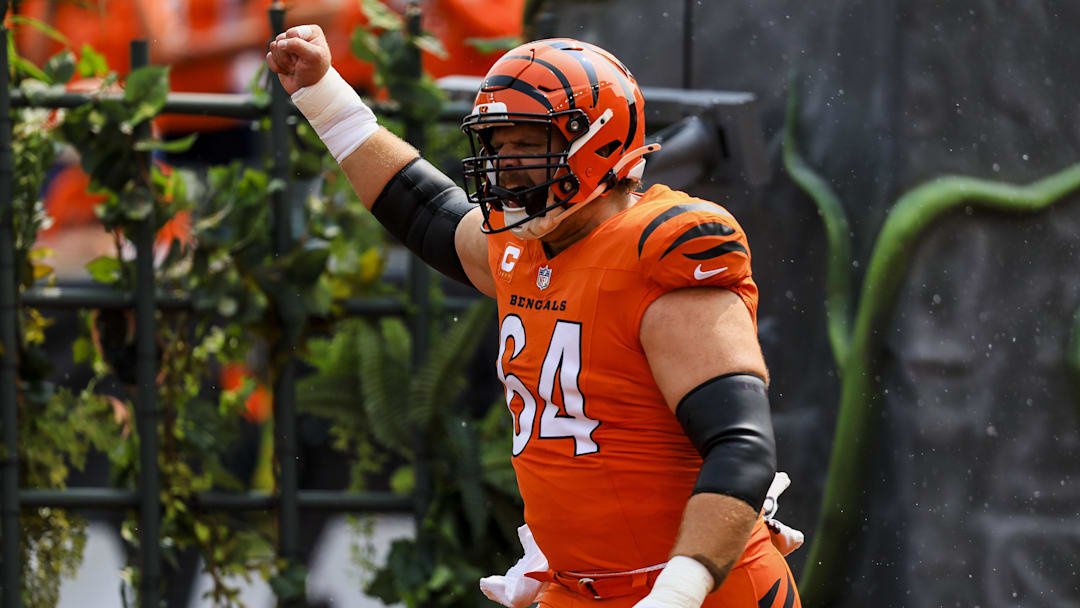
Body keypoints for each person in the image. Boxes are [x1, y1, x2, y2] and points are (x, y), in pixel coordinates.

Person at [267, 25, 803, 608]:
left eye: (526, 144)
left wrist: (678, 590)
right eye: (495, 147)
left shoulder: (661, 251)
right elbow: (425, 211)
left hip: (703, 593)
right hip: (577, 589)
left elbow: (741, 446)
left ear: (596, 140)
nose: (503, 166)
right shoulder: (526, 244)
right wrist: (323, 95)